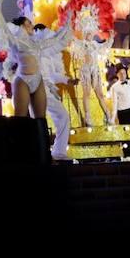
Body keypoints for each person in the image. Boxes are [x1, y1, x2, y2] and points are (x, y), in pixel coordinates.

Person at [0, 0, 75, 119]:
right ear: (22, 26)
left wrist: (68, 22)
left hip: (37, 80)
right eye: (28, 23)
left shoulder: (37, 43)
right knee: (21, 118)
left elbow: (56, 39)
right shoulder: (16, 42)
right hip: (22, 81)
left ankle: (41, 138)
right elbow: (5, 30)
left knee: (40, 119)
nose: (32, 25)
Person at [35, 24, 74, 161]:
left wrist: (67, 80)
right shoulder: (32, 50)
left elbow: (52, 75)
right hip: (34, 89)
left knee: (63, 116)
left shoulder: (50, 56)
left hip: (47, 89)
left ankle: (58, 152)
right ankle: (37, 155)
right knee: (36, 122)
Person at [69, 29, 112, 127]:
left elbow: (105, 46)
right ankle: (88, 118)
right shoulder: (82, 43)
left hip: (95, 70)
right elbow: (74, 42)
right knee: (87, 93)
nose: (89, 34)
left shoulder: (95, 44)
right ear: (84, 33)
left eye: (90, 32)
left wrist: (111, 38)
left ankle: (108, 116)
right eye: (87, 32)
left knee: (100, 94)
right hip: (86, 71)